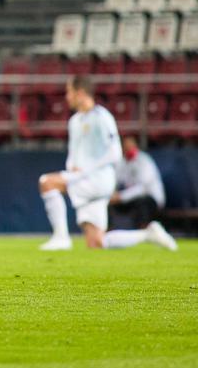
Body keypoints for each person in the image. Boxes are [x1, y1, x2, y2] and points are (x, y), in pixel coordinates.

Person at [37, 75, 121, 251]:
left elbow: (115, 153)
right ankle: (148, 235)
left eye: (69, 92)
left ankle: (61, 237)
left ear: (80, 93)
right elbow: (73, 153)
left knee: (47, 182)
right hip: (84, 178)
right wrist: (71, 167)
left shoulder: (102, 117)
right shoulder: (74, 121)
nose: (67, 97)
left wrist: (85, 170)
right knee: (96, 243)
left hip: (97, 179)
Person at [104, 136, 177, 251]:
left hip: (150, 199)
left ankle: (148, 232)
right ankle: (107, 234)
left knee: (143, 203)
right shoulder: (122, 162)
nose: (128, 149)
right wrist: (112, 194)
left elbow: (142, 188)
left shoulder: (144, 160)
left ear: (136, 146)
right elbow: (115, 181)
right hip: (130, 199)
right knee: (108, 204)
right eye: (125, 146)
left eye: (130, 146)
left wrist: (120, 197)